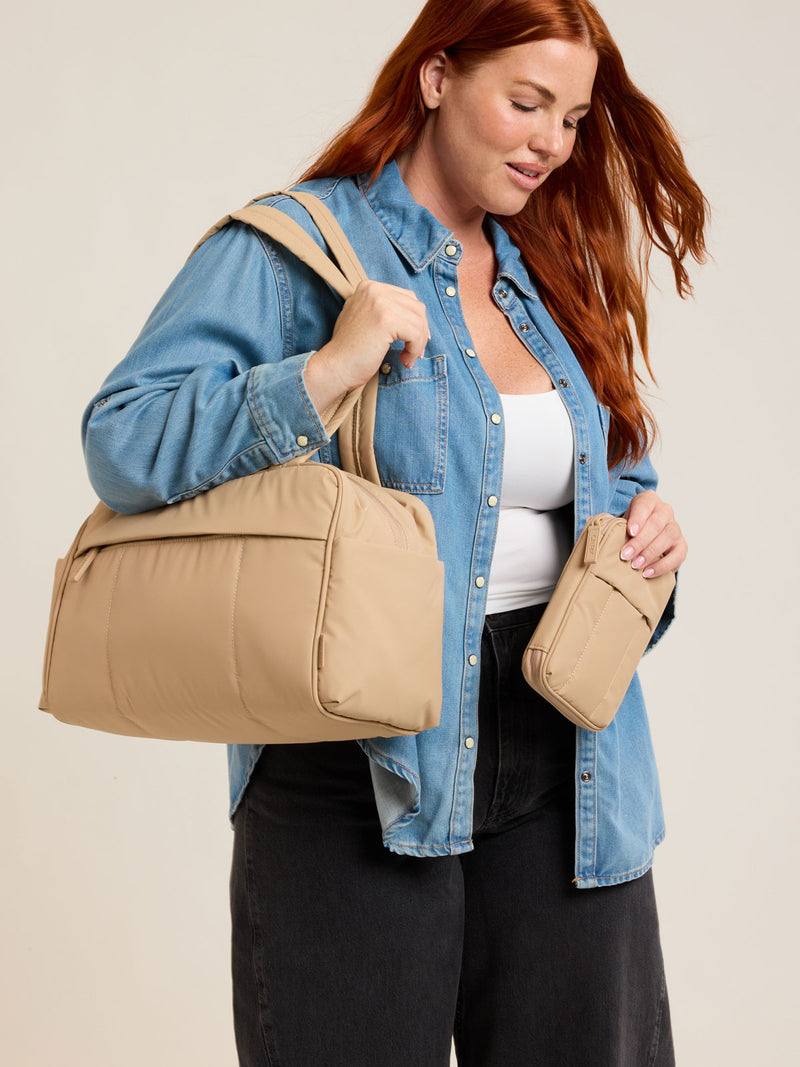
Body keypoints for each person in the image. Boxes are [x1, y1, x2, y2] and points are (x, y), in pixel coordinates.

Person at [82, 1, 707, 1063]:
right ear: (433, 78)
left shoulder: (551, 264)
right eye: (524, 102)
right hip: (355, 760)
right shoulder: (298, 247)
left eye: (569, 115)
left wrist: (643, 529)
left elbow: (601, 465)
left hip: (571, 755)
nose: (550, 142)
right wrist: (321, 374)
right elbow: (123, 438)